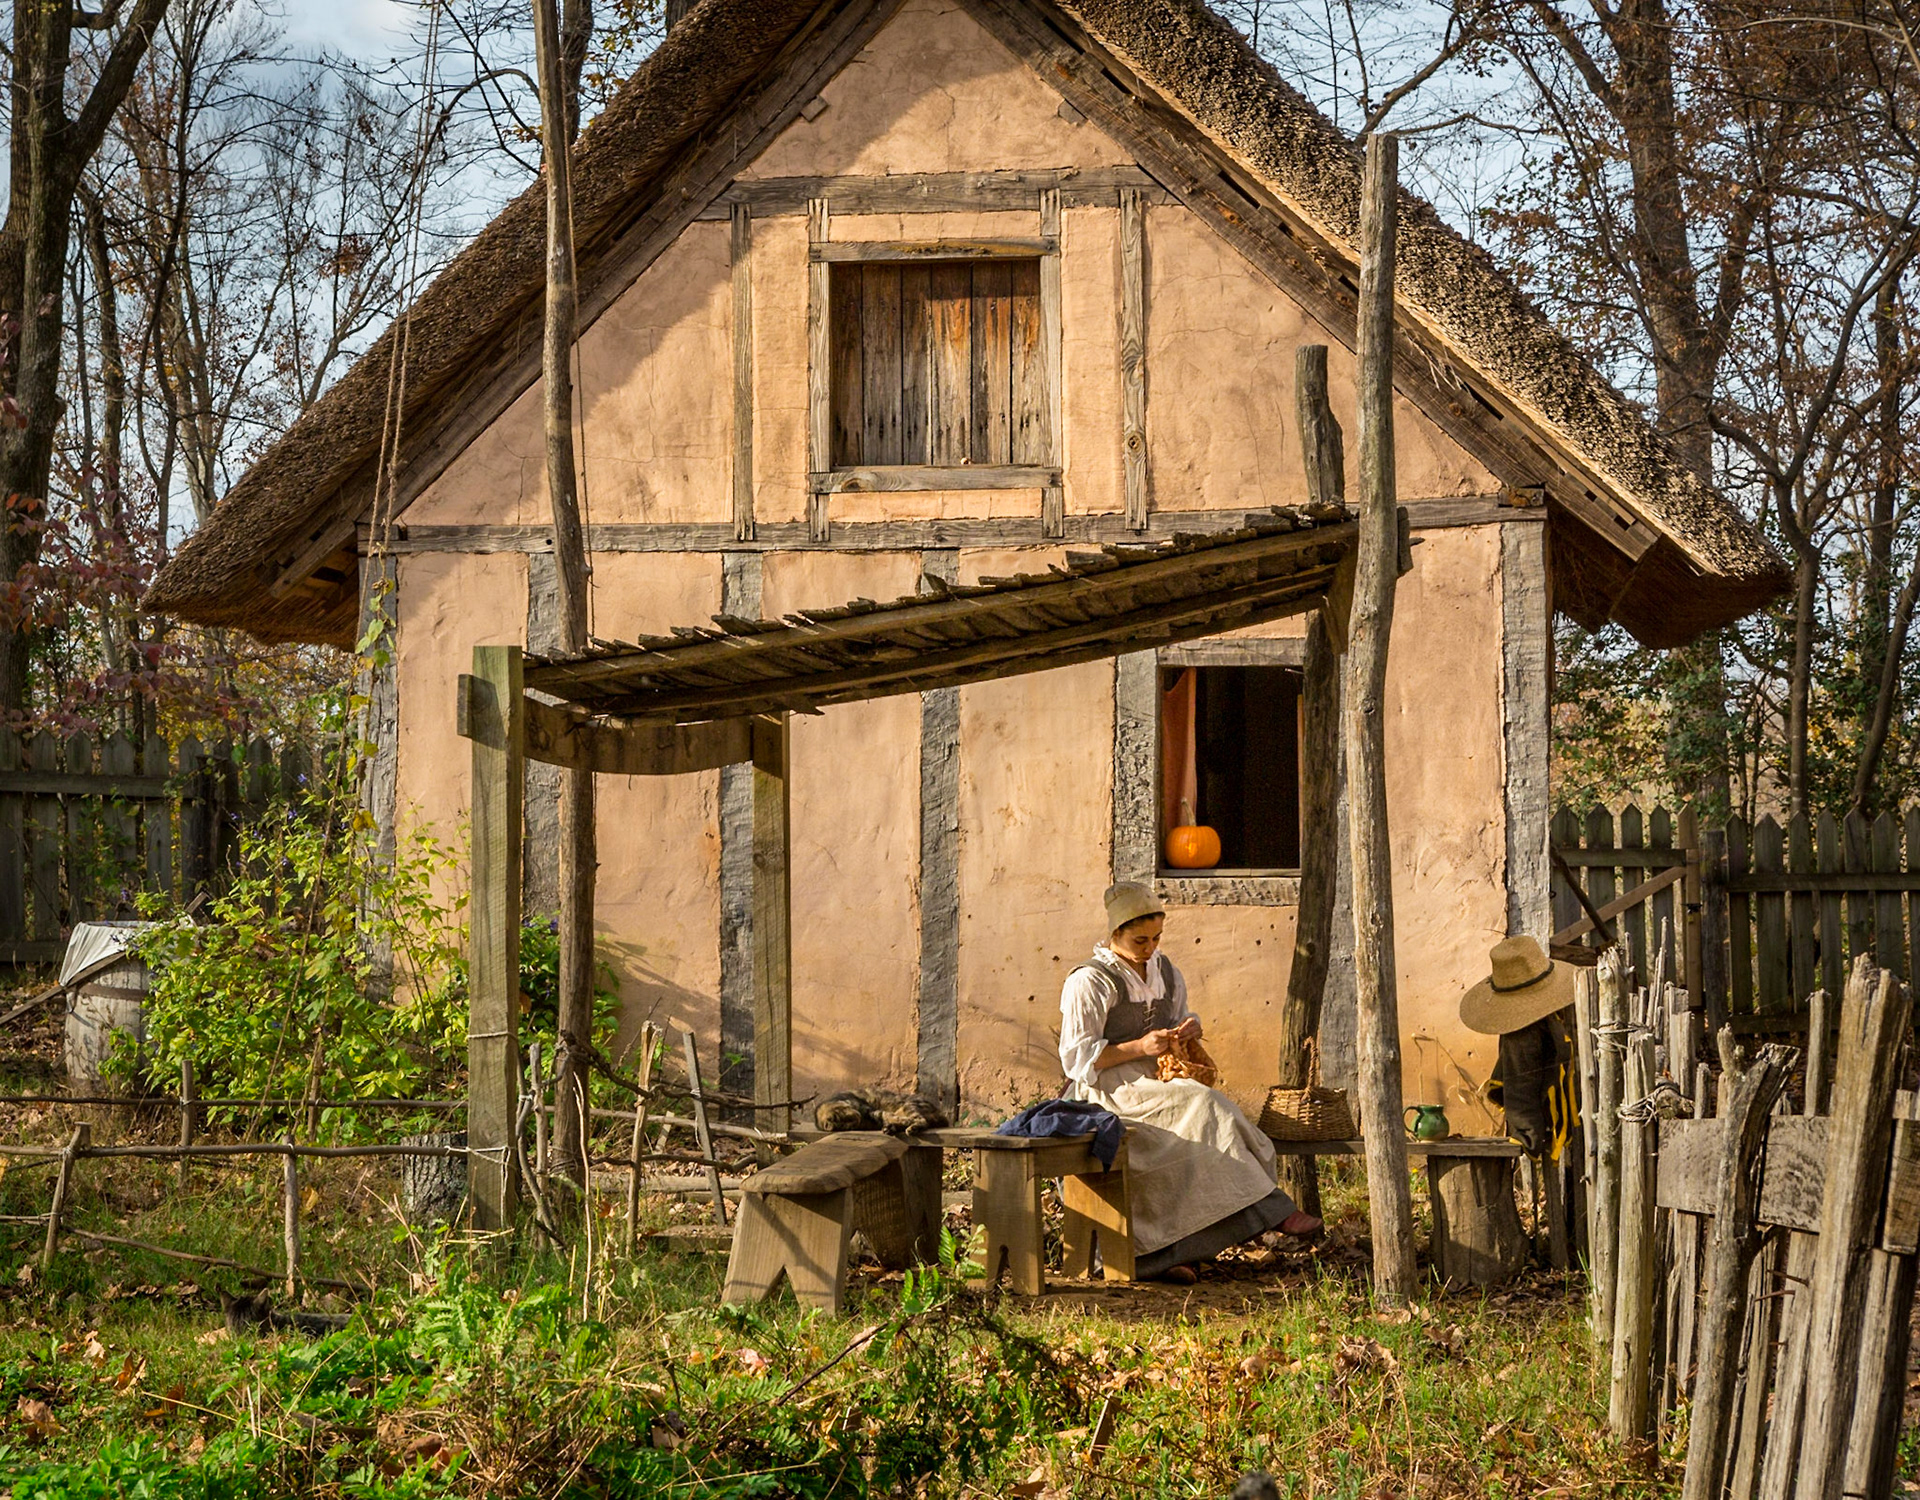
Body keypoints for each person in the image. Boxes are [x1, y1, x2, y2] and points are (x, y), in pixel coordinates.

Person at [1058, 881, 1320, 1282]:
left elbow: (1172, 1019)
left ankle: (1177, 1253)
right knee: (1205, 1108)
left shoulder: (1165, 971)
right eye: (1139, 939)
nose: (1149, 948)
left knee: (1205, 1113)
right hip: (1107, 1091)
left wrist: (1186, 1029)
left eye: (1156, 938)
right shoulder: (1090, 981)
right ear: (1115, 933)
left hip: (1156, 1081)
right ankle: (1271, 1211)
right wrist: (1140, 1046)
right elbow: (1078, 1060)